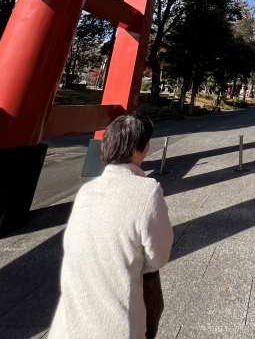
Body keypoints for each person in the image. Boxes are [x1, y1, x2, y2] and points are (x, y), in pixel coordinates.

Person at [49, 114, 173, 339]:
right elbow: (159, 257)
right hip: (116, 327)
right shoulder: (148, 191)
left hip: (67, 326)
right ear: (142, 148)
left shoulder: (86, 191)